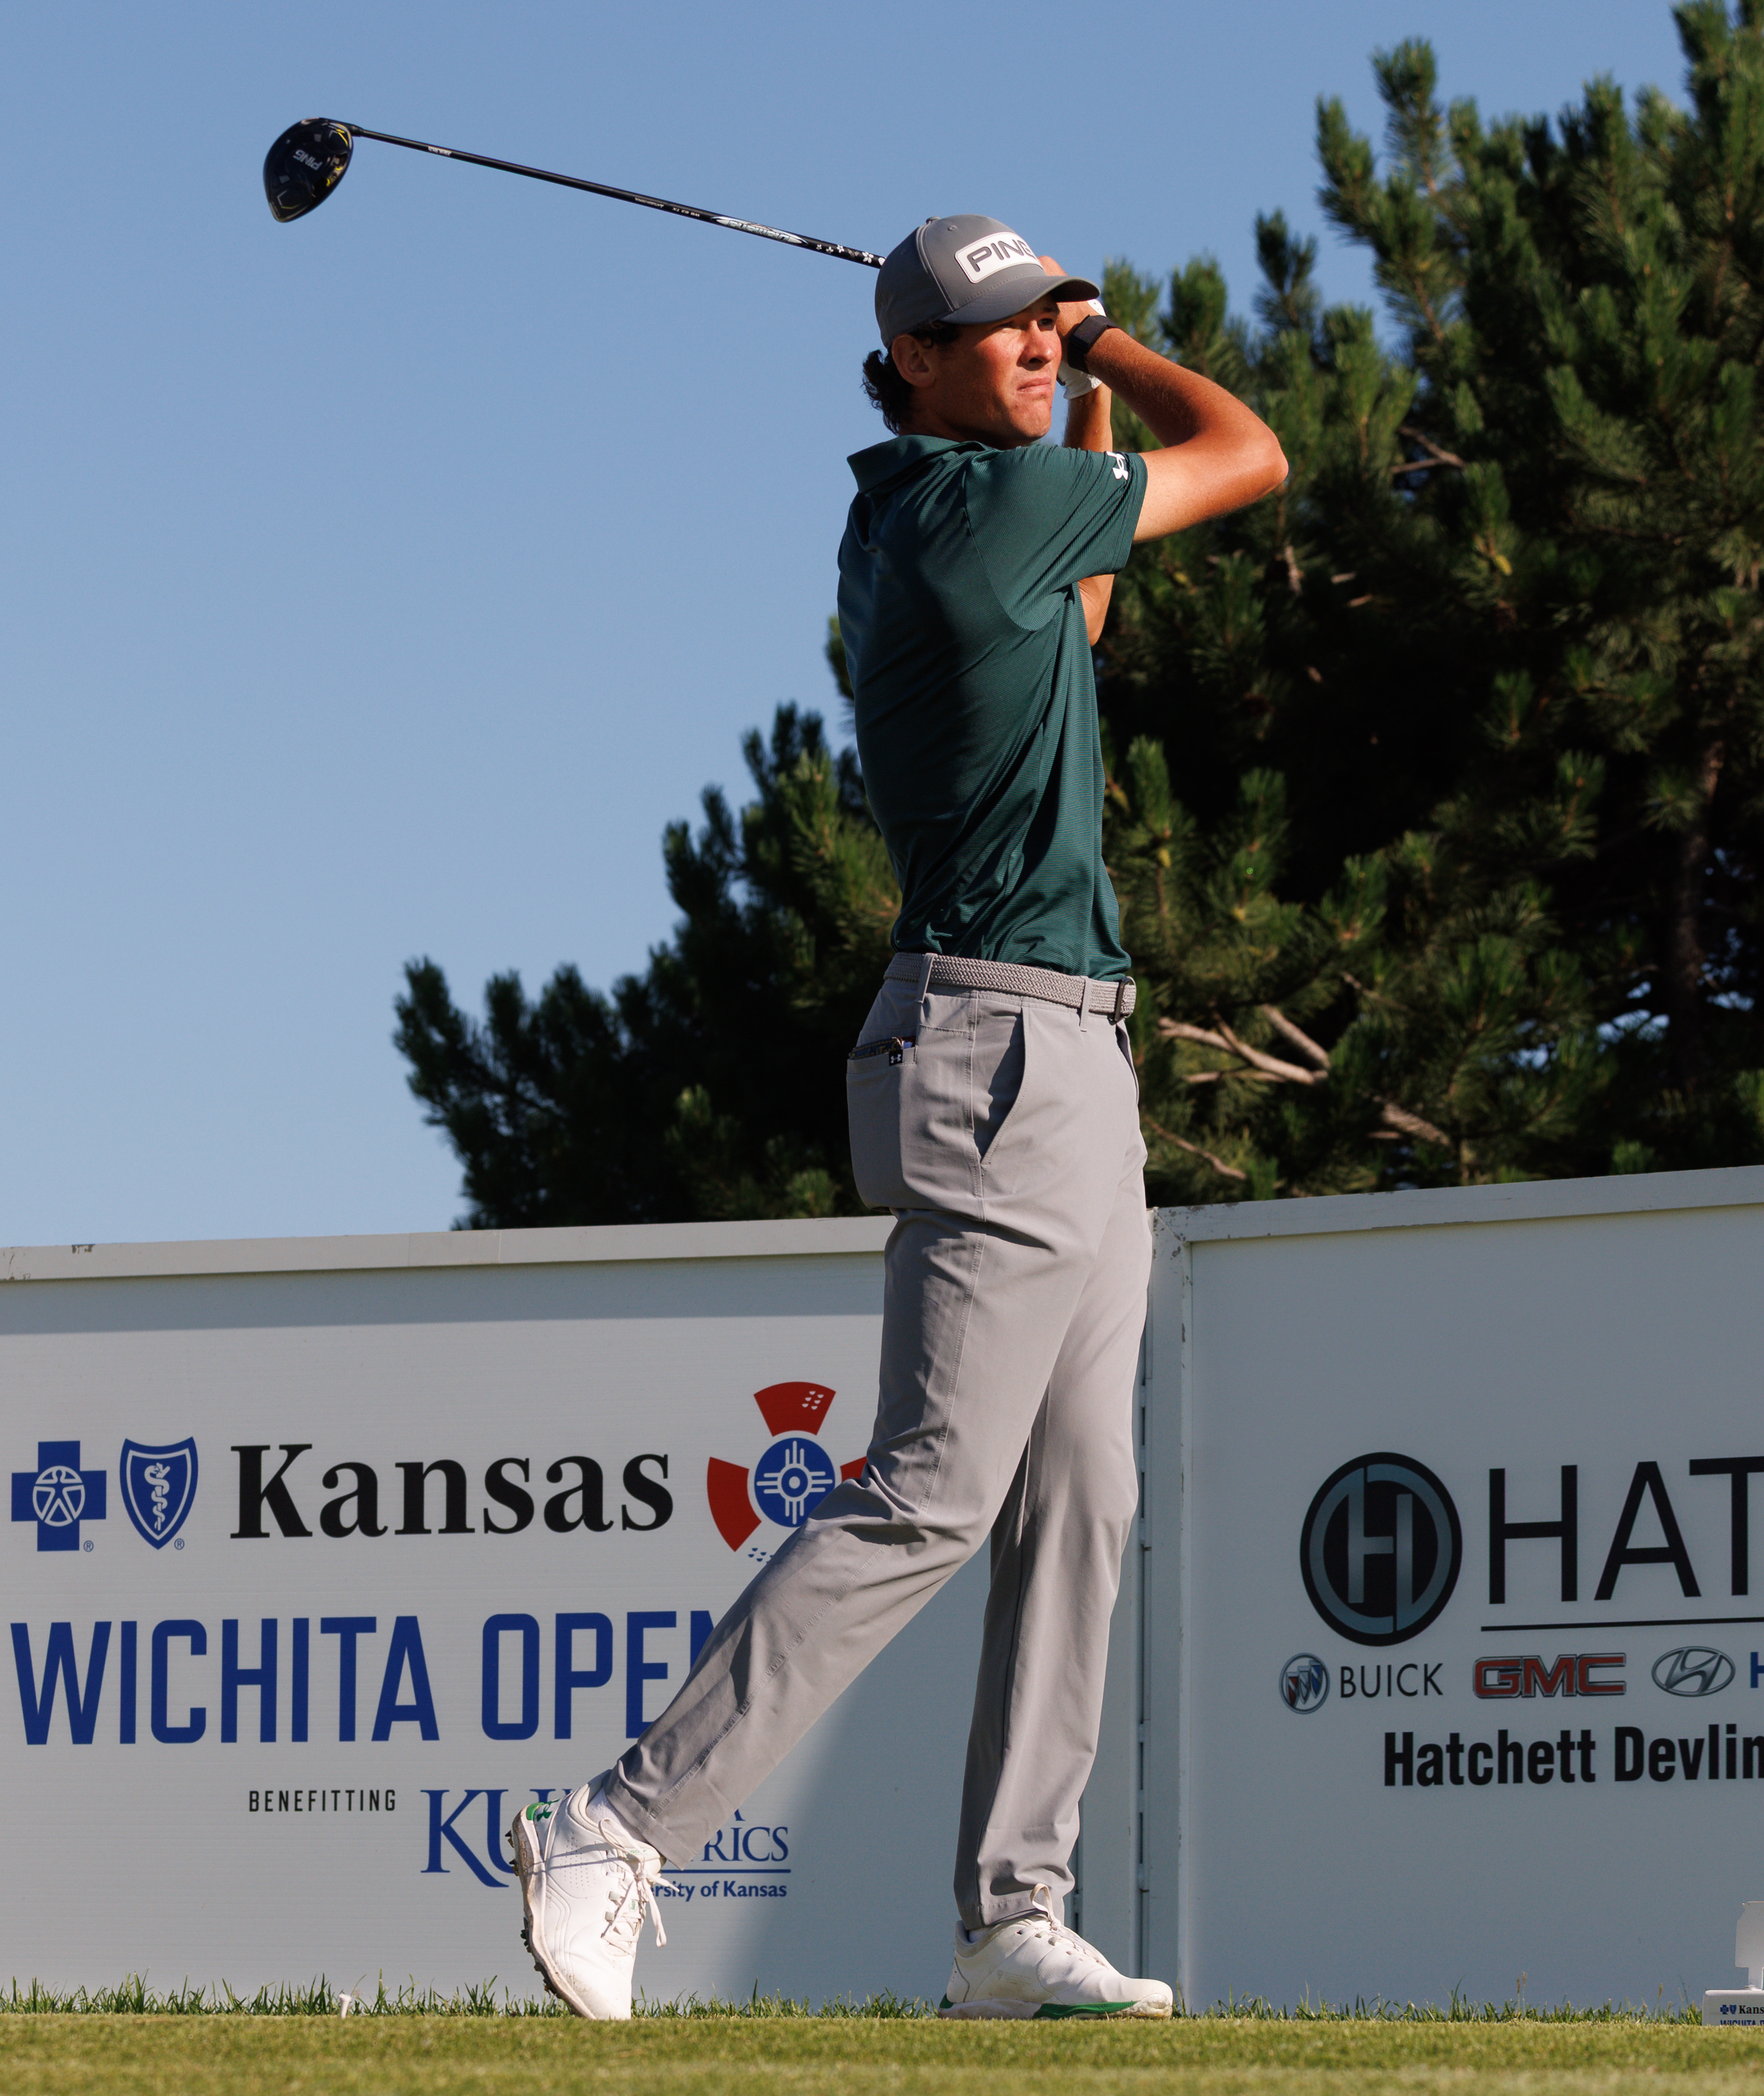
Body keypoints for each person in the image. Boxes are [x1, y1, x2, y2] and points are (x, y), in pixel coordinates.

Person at [506, 214, 1286, 2021]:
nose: (1032, 348)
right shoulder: (974, 507)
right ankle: (617, 1828)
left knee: (1082, 1487)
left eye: (1040, 322)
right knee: (940, 1483)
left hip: (1070, 1056)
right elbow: (1247, 452)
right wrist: (1113, 352)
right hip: (1001, 1051)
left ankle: (1014, 1912)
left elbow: (1089, 611)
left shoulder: (954, 521)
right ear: (916, 362)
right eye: (1000, 330)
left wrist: (1066, 391)